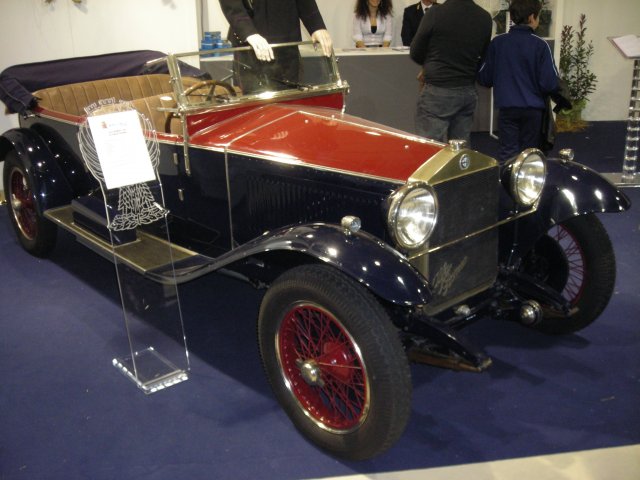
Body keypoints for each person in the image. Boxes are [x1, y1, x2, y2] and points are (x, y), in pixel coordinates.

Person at [477, 0, 561, 161]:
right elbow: (550, 83)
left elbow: (484, 78)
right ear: (532, 17)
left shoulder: (498, 43)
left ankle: (506, 176)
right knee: (529, 154)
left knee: (507, 153)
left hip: (507, 109)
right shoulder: (541, 45)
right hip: (533, 110)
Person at [410, 0, 492, 145]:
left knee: (429, 147)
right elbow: (483, 56)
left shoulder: (435, 13)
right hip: (467, 89)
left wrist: (429, 65)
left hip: (437, 89)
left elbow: (416, 52)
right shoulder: (485, 17)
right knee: (460, 148)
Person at [218, 0, 333, 92]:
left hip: (287, 44)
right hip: (252, 48)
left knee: (291, 101)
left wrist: (316, 25)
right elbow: (231, 5)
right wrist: (248, 33)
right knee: (255, 107)